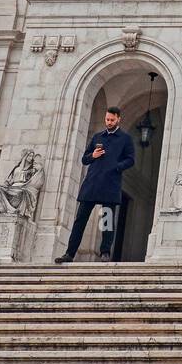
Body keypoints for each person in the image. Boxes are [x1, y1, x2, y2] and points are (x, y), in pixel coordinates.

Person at [55, 106, 136, 264]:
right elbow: (84, 159)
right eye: (107, 119)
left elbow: (131, 159)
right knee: (80, 220)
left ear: (118, 119)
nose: (109, 122)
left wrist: (117, 167)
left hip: (110, 183)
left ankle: (105, 253)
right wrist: (93, 155)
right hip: (92, 183)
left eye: (112, 120)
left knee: (107, 219)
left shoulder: (125, 139)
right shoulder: (97, 137)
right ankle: (69, 253)